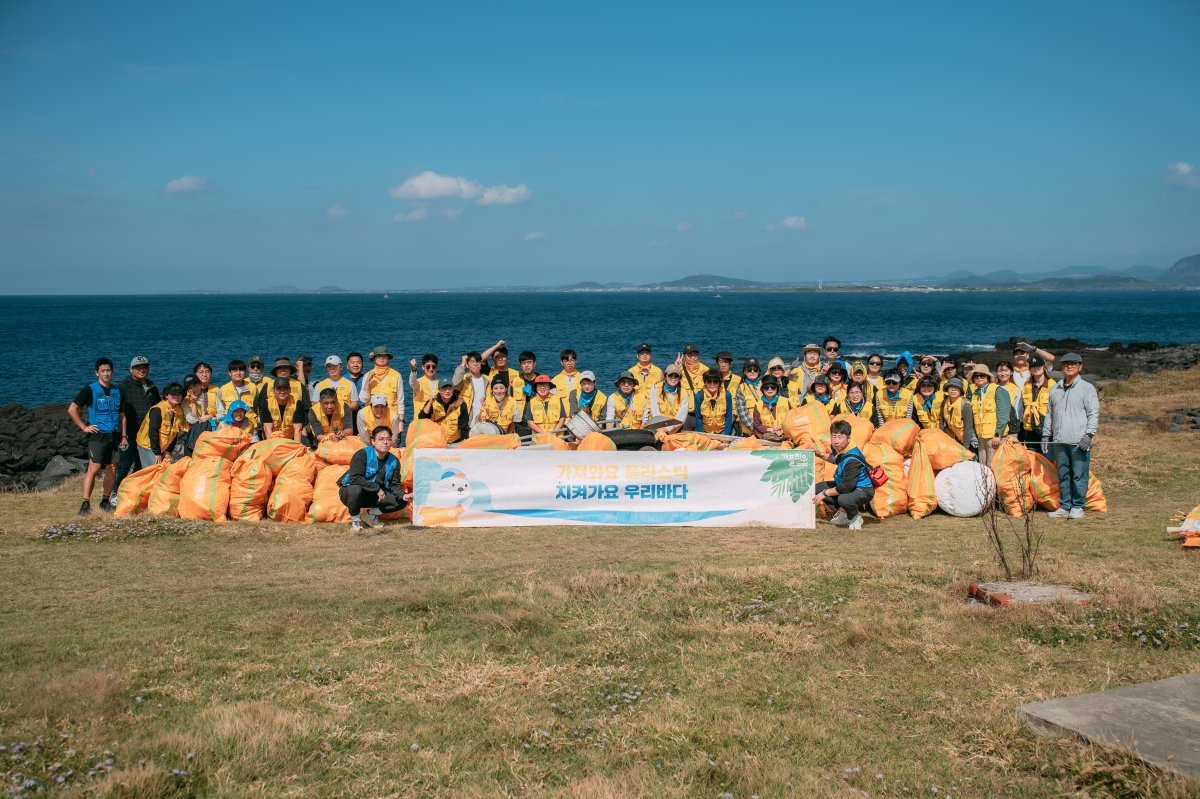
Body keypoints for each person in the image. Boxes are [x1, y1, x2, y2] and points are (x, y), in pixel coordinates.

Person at [67, 357, 128, 514]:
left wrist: (124, 435)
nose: (106, 373)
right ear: (97, 373)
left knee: (112, 467)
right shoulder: (90, 389)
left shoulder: (117, 391)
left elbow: (122, 415)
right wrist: (83, 427)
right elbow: (72, 409)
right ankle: (85, 503)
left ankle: (105, 501)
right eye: (103, 371)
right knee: (93, 468)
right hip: (98, 435)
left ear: (112, 372)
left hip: (114, 435)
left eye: (108, 371)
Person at [1042, 352, 1099, 520]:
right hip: (1059, 440)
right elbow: (1049, 414)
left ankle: (1077, 507)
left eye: (1074, 363)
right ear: (1062, 367)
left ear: (1080, 367)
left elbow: (1093, 414)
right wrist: (1046, 435)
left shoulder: (1087, 388)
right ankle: (1065, 506)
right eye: (1066, 363)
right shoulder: (1055, 388)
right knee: (1063, 474)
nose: (1070, 366)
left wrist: (1088, 435)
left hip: (1078, 441)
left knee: (1079, 474)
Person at [338, 426, 407, 532]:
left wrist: (404, 495)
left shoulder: (394, 461)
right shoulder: (362, 454)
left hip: (374, 496)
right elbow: (354, 478)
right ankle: (356, 521)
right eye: (381, 439)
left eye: (388, 439)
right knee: (355, 489)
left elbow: (395, 484)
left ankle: (370, 515)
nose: (385, 442)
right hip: (352, 493)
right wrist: (377, 489)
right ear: (373, 441)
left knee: (401, 501)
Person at [812, 419, 875, 531]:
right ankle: (844, 513)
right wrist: (820, 454)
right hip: (847, 485)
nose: (836, 441)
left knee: (844, 498)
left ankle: (855, 517)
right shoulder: (841, 448)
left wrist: (824, 493)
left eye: (840, 437)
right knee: (819, 487)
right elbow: (836, 460)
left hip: (863, 490)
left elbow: (846, 487)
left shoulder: (852, 459)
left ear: (848, 439)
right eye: (834, 437)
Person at [114, 355, 160, 498]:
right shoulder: (123, 386)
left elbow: (158, 408)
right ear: (131, 369)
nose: (141, 370)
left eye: (144, 367)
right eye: (137, 367)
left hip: (146, 434)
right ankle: (116, 493)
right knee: (124, 464)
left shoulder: (152, 386)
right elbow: (117, 410)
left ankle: (132, 492)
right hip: (127, 433)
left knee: (142, 465)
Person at [967, 364, 1010, 468]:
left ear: (988, 377)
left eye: (982, 375)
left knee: (994, 465)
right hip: (981, 436)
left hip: (994, 437)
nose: (979, 378)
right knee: (982, 465)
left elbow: (1003, 414)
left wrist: (997, 434)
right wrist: (974, 435)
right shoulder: (974, 394)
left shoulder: (998, 390)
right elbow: (973, 417)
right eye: (976, 376)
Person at [135, 382, 186, 468]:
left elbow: (175, 432)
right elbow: (153, 432)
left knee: (161, 471)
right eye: (173, 394)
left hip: (163, 446)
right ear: (166, 395)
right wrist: (157, 453)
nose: (177, 397)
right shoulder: (158, 410)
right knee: (152, 471)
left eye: (179, 394)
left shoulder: (179, 410)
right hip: (148, 446)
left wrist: (169, 451)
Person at [358, 346, 405, 439]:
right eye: (378, 356)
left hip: (391, 419)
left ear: (388, 358)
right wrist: (368, 380)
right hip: (372, 419)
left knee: (392, 446)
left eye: (384, 356)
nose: (381, 358)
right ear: (374, 358)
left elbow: (400, 400)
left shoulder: (396, 375)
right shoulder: (368, 375)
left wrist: (401, 421)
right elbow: (363, 399)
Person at [1018, 355, 1056, 449]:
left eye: (1039, 366)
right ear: (1029, 369)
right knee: (1032, 459)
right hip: (1030, 429)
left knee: (1047, 460)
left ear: (1044, 367)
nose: (1036, 368)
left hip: (1047, 430)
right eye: (1033, 367)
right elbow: (1023, 406)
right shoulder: (1026, 385)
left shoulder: (1053, 385)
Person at [682, 370, 735, 435]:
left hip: (722, 430)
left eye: (715, 381)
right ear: (705, 382)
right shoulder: (699, 396)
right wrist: (703, 435)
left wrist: (725, 436)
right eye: (709, 381)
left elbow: (729, 417)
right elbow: (698, 418)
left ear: (719, 383)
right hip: (706, 432)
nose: (712, 384)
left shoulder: (727, 395)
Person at [419, 379, 470, 444]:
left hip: (454, 442)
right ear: (439, 390)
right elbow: (421, 419)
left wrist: (464, 443)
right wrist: (429, 403)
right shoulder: (433, 403)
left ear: (453, 389)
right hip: (435, 442)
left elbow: (463, 427)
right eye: (444, 388)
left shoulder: (461, 404)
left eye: (450, 388)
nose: (447, 391)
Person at [216, 359, 260, 433]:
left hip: (250, 429)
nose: (238, 373)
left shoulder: (253, 388)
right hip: (230, 429)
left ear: (245, 372)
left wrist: (258, 423)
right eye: (235, 370)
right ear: (229, 373)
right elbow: (220, 412)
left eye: (241, 370)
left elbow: (258, 409)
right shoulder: (223, 389)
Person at [257, 377, 305, 442]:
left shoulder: (297, 404)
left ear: (290, 390)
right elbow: (268, 429)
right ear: (273, 391)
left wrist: (296, 447)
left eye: (285, 388)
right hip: (273, 440)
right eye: (279, 389)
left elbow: (298, 429)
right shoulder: (266, 404)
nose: (282, 391)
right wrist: (273, 447)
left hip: (292, 439)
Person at [314, 356, 359, 422]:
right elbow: (314, 405)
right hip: (325, 422)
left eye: (335, 366)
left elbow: (355, 405)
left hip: (344, 422)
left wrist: (338, 407)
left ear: (340, 367)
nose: (332, 368)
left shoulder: (350, 384)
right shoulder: (319, 385)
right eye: (329, 366)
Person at [453, 351, 492, 427]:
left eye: (477, 361)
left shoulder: (488, 379)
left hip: (484, 419)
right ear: (467, 365)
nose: (475, 364)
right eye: (472, 362)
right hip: (467, 421)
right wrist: (462, 365)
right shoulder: (464, 378)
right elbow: (455, 384)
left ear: (481, 364)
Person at [752, 375, 792, 441]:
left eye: (773, 387)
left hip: (786, 435)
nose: (769, 389)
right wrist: (771, 430)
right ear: (762, 389)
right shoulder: (758, 405)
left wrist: (782, 429)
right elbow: (757, 425)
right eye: (766, 387)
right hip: (768, 437)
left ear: (777, 388)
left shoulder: (785, 401)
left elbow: (792, 419)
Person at [939, 377, 975, 446]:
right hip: (951, 440)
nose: (953, 389)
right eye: (950, 387)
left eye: (956, 387)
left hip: (965, 441)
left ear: (960, 390)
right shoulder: (944, 402)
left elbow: (968, 428)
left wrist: (966, 447)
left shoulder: (965, 405)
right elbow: (941, 422)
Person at [734, 358, 763, 435]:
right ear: (744, 372)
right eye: (749, 370)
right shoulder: (741, 388)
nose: (752, 372)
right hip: (750, 430)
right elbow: (742, 411)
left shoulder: (766, 385)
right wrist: (754, 427)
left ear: (759, 371)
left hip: (766, 428)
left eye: (755, 369)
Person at [409, 354, 439, 418]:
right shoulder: (419, 382)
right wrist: (414, 368)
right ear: (423, 367)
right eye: (428, 367)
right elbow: (412, 382)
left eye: (433, 367)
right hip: (421, 422)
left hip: (437, 422)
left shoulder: (440, 383)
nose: (431, 369)